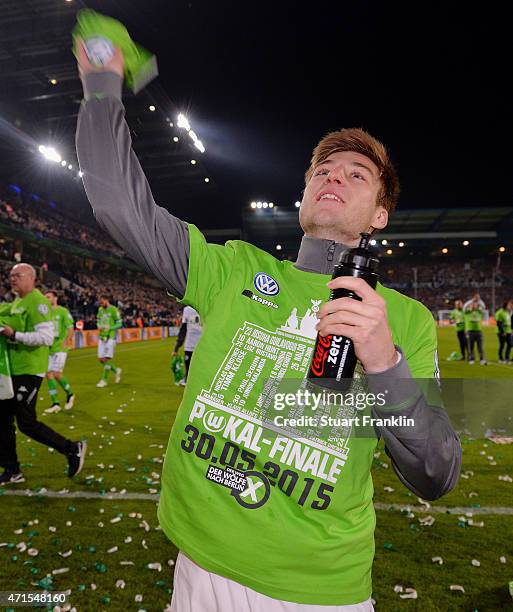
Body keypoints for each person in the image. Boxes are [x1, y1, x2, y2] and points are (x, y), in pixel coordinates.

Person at [75, 38, 461, 612]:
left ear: (380, 215)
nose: (334, 177)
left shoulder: (405, 318)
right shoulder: (233, 268)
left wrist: (384, 363)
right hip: (199, 563)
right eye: (322, 170)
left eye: (358, 174)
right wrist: (103, 87)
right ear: (303, 193)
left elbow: (436, 472)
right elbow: (118, 205)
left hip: (316, 587)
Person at [0, 263, 86, 484]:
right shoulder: (17, 301)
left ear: (32, 278)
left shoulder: (39, 303)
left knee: (26, 422)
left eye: (17, 275)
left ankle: (72, 448)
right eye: (10, 276)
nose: (12, 279)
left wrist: (14, 335)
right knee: (3, 420)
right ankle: (12, 470)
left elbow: (46, 338)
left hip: (30, 370)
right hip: (14, 371)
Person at [44, 290, 76, 413]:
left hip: (60, 348)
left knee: (56, 373)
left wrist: (67, 340)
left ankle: (70, 394)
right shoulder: (45, 313)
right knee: (49, 375)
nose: (46, 299)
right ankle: (55, 403)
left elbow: (70, 328)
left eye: (48, 297)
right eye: (45, 297)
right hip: (49, 348)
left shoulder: (63, 311)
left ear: (55, 298)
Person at [95, 294, 122, 387]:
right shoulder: (100, 310)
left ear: (107, 300)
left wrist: (110, 327)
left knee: (106, 358)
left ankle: (104, 380)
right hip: (102, 337)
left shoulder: (113, 309)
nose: (101, 304)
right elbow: (98, 320)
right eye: (100, 302)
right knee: (101, 359)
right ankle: (116, 370)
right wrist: (98, 325)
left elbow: (119, 323)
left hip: (111, 337)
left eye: (102, 302)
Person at [172, 305, 203, 385]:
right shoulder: (187, 310)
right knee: (188, 366)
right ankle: (187, 380)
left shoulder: (206, 306)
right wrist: (176, 348)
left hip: (202, 345)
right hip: (190, 345)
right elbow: (183, 329)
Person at [464, 297, 486, 365]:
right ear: (470, 305)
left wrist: (479, 300)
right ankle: (471, 359)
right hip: (470, 331)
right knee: (471, 347)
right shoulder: (467, 312)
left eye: (475, 304)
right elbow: (464, 307)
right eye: (473, 304)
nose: (474, 305)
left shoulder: (479, 312)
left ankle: (482, 359)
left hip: (479, 331)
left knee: (480, 347)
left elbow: (483, 307)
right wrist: (471, 300)